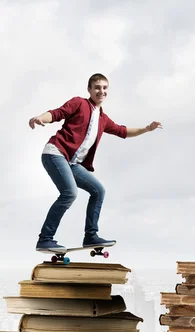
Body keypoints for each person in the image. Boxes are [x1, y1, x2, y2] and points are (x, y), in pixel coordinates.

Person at [28, 73, 162, 252]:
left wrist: (146, 129)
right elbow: (57, 114)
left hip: (72, 163)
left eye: (105, 88)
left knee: (98, 190)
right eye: (97, 87)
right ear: (89, 89)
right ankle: (45, 238)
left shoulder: (103, 119)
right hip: (55, 153)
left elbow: (122, 131)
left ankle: (90, 235)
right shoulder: (79, 103)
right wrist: (40, 118)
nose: (101, 91)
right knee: (69, 193)